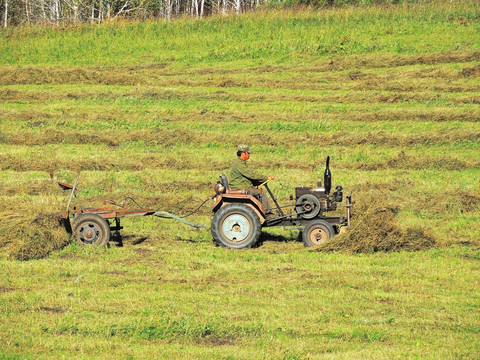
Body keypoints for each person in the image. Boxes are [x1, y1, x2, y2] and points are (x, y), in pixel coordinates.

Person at [229, 145, 274, 214]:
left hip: (243, 186)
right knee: (261, 193)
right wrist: (266, 178)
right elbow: (251, 175)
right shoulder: (239, 164)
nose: (249, 155)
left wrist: (259, 181)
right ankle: (267, 213)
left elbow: (249, 176)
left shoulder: (240, 163)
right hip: (242, 188)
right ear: (243, 153)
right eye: (248, 153)